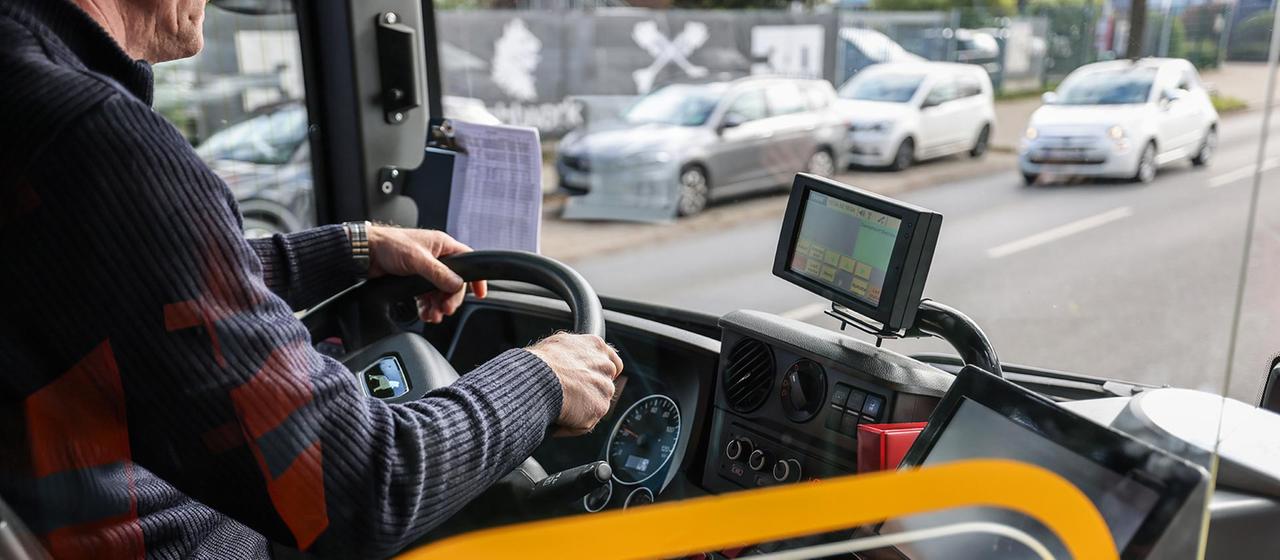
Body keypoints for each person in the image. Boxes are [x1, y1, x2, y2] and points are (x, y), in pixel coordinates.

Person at [0, 0, 623, 558]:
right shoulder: (95, 139)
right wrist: (542, 380)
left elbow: (128, 287)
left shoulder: (25, 93)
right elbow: (365, 487)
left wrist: (354, 249)